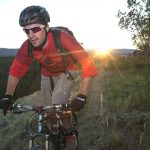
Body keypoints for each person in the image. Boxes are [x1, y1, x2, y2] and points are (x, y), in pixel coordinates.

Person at [0, 5, 98, 150]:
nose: (30, 35)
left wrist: (82, 94)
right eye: (26, 30)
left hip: (67, 70)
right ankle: (53, 135)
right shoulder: (27, 47)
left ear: (46, 27)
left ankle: (69, 133)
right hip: (46, 73)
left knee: (58, 101)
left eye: (35, 29)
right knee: (48, 110)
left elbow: (87, 63)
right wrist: (8, 95)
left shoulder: (62, 38)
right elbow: (15, 71)